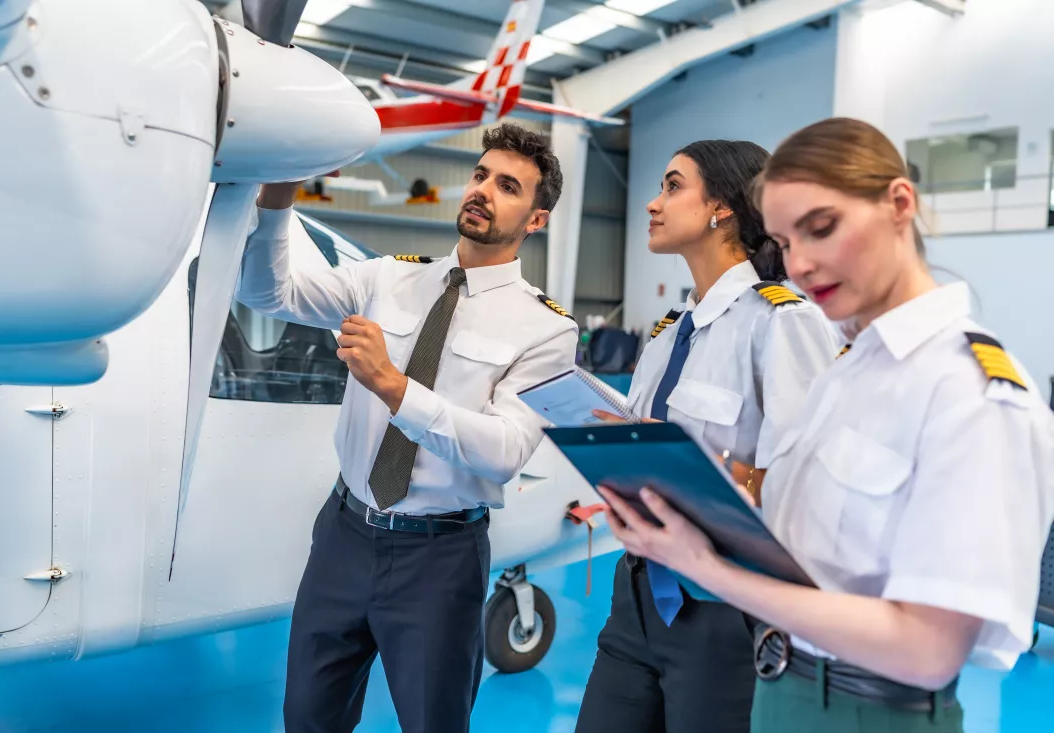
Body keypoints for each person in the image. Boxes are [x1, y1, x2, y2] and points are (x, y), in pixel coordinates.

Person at [598, 117, 1054, 733]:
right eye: (786, 241)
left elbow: (928, 651)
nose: (803, 263)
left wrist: (710, 570)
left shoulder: (973, 392)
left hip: (869, 709)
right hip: (781, 687)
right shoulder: (850, 373)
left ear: (899, 204)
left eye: (821, 227)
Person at [236, 123, 579, 733]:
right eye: (479, 175)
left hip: (439, 558)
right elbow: (267, 290)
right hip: (344, 534)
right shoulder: (384, 278)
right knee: (306, 717)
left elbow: (502, 451)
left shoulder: (546, 330)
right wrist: (278, 200)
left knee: (433, 721)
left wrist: (394, 386)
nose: (482, 191)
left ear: (536, 219)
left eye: (507, 186)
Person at [575, 140, 839, 733]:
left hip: (723, 608)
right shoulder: (671, 334)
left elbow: (809, 480)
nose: (651, 203)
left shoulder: (781, 322)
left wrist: (696, 465)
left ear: (720, 206)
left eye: (672, 186)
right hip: (636, 590)